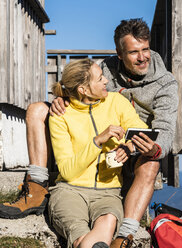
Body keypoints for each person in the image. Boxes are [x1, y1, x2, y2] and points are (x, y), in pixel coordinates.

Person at [0, 18, 178, 248]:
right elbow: (81, 87)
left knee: (152, 162)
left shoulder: (165, 83)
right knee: (36, 110)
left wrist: (144, 147)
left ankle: (125, 235)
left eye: (145, 49)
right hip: (98, 140)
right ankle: (36, 186)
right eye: (134, 52)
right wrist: (62, 99)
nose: (142, 57)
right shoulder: (105, 69)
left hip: (136, 143)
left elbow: (164, 130)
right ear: (119, 53)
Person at [48, 58, 154, 248]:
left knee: (108, 220)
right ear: (83, 89)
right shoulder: (61, 115)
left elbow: (142, 132)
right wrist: (97, 141)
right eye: (100, 78)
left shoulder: (116, 101)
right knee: (79, 234)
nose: (106, 81)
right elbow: (67, 171)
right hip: (70, 190)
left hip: (109, 192)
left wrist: (128, 147)